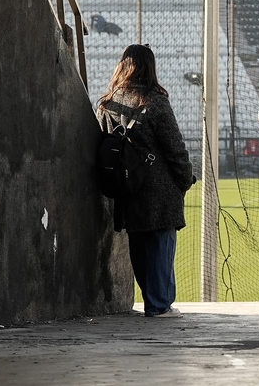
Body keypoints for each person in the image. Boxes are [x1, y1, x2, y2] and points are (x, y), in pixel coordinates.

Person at [96, 44, 194, 319]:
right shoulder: (155, 102)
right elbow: (175, 148)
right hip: (158, 188)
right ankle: (159, 304)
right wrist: (185, 179)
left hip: (126, 187)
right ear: (150, 68)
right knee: (161, 245)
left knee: (138, 246)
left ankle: (153, 300)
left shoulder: (107, 103)